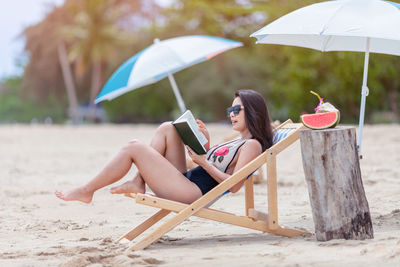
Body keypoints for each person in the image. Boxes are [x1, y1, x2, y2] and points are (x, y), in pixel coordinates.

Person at [55, 89, 273, 204]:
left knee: (135, 147)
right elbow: (202, 162)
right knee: (168, 127)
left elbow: (234, 186)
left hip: (193, 192)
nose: (232, 115)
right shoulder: (235, 140)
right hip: (187, 179)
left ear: (253, 112)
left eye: (237, 110)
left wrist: (204, 163)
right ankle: (137, 181)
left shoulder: (252, 145)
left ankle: (87, 191)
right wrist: (203, 144)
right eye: (230, 111)